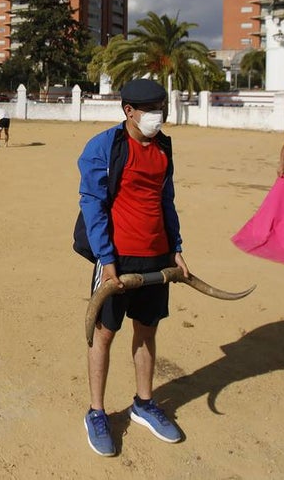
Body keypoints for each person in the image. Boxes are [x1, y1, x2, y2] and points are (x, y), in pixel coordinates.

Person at [77, 78, 188, 457]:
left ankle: (143, 404)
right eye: (153, 110)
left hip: (156, 258)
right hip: (118, 261)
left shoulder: (163, 146)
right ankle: (96, 411)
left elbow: (166, 200)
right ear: (129, 111)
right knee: (104, 335)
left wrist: (175, 248)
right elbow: (92, 205)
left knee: (147, 332)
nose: (160, 116)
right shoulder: (104, 147)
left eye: (163, 108)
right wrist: (106, 260)